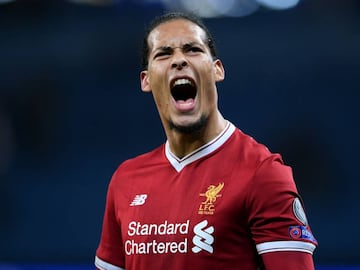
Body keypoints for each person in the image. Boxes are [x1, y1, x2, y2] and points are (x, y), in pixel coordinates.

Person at [95, 11, 317, 270]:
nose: (179, 60)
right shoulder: (126, 180)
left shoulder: (262, 173)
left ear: (217, 70)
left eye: (192, 50)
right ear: (146, 80)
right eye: (164, 53)